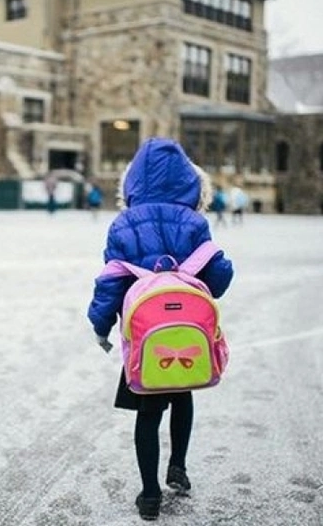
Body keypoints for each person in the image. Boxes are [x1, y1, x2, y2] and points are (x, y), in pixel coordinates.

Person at [87, 137, 234, 521]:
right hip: (184, 329)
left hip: (145, 335)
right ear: (190, 182)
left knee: (148, 411)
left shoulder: (123, 224)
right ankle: (178, 467)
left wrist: (101, 325)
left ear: (132, 183)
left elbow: (110, 281)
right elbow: (218, 278)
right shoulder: (194, 223)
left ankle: (150, 494)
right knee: (183, 395)